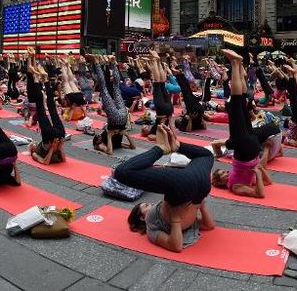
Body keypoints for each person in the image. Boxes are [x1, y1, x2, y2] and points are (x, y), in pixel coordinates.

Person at [116, 124, 215, 252]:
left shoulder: (170, 217)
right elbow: (176, 246)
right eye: (145, 205)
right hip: (186, 187)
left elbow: (208, 226)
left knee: (206, 156)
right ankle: (161, 148)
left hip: (198, 187)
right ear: (142, 217)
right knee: (122, 172)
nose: (150, 204)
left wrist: (199, 205)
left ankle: (177, 146)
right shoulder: (151, 227)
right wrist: (179, 217)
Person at [210, 50, 273, 198]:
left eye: (223, 171)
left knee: (242, 100)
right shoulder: (235, 186)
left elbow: (269, 182)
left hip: (250, 147)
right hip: (244, 147)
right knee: (237, 101)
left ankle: (238, 63)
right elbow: (260, 194)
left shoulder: (238, 176)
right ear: (220, 182)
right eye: (223, 174)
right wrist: (258, 171)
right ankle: (235, 63)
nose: (226, 172)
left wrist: (259, 169)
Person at [27, 57, 68, 165]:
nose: (34, 143)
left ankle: (44, 80)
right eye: (33, 145)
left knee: (49, 108)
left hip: (53, 136)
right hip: (56, 136)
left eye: (33, 144)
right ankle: (40, 79)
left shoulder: (40, 146)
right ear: (32, 150)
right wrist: (58, 147)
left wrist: (54, 148)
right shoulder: (35, 154)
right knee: (45, 108)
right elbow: (50, 162)